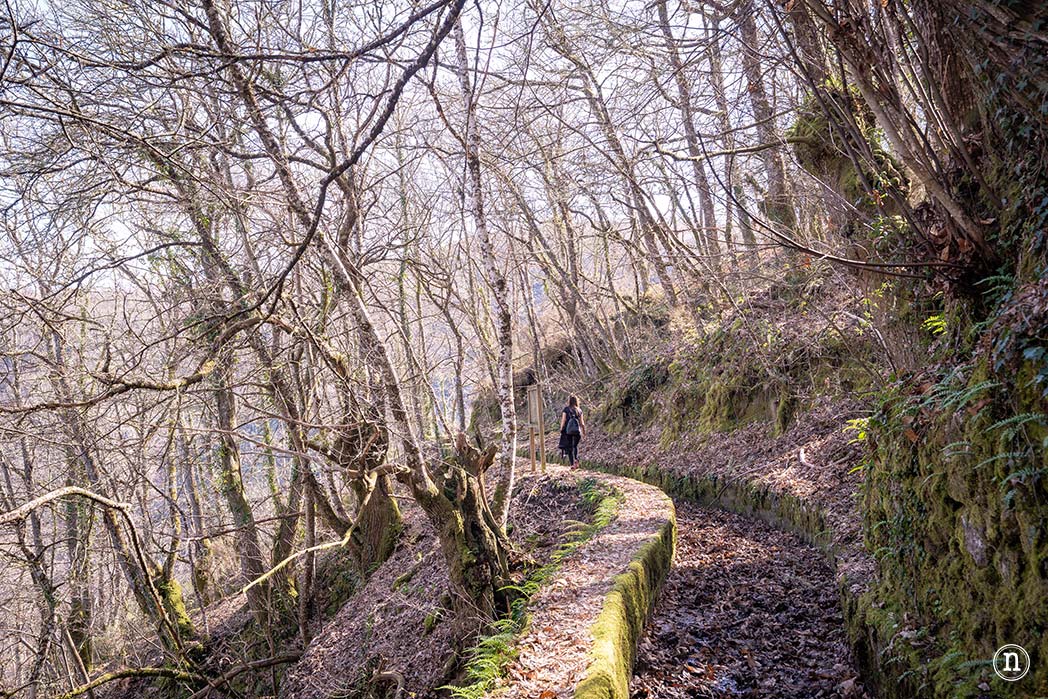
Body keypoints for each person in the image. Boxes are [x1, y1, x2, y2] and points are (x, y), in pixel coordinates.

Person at [558, 394, 585, 468]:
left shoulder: (566, 409)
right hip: (577, 431)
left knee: (569, 448)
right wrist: (583, 432)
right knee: (575, 446)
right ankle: (576, 459)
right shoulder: (579, 410)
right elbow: (582, 423)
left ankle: (572, 464)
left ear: (569, 401)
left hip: (568, 431)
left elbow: (563, 421)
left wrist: (561, 429)